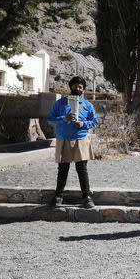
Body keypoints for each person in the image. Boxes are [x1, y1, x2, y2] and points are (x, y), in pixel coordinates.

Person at [48, 76, 99, 208]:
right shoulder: (60, 103)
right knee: (63, 169)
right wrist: (65, 118)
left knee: (82, 169)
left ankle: (87, 197)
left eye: (80, 87)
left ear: (83, 89)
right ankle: (58, 196)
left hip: (81, 138)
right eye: (75, 86)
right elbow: (51, 120)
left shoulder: (88, 105)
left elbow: (95, 121)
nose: (78, 88)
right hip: (63, 138)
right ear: (71, 87)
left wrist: (83, 123)